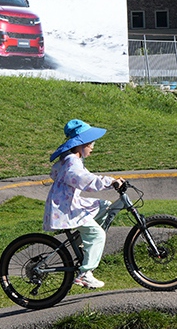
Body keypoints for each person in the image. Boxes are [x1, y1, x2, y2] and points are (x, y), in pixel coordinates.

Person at [44, 119, 124, 289]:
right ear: (79, 145)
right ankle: (85, 274)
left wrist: (109, 182)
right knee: (98, 235)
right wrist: (110, 182)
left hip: (68, 204)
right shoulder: (72, 161)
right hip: (66, 208)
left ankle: (83, 241)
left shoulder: (71, 160)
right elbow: (85, 181)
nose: (93, 146)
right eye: (90, 143)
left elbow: (80, 176)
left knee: (104, 206)